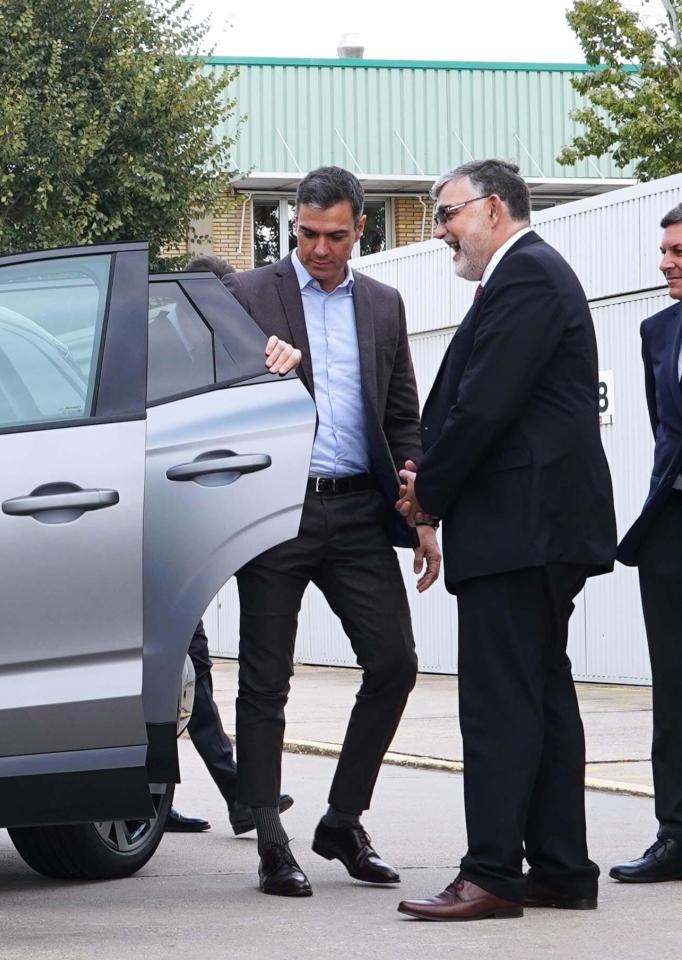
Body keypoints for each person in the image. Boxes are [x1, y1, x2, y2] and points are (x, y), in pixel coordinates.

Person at [396, 159, 616, 921]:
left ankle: (491, 872)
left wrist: (427, 494)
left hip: (524, 529)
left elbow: (483, 409)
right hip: (531, 529)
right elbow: (464, 398)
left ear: (493, 208)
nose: (439, 231)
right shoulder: (523, 279)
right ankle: (559, 869)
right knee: (541, 699)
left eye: (447, 213)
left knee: (499, 705)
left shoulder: (528, 276)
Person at [223, 166, 437, 898]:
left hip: (356, 512)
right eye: (307, 234)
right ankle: (271, 841)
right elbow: (209, 389)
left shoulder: (383, 304)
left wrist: (418, 494)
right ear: (293, 224)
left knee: (395, 663)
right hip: (276, 510)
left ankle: (342, 819)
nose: (319, 249)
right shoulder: (249, 296)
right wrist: (258, 370)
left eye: (335, 236)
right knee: (264, 681)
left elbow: (403, 411)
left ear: (360, 230)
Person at [164, 253, 294, 837]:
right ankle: (231, 791)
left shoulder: (221, 348)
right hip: (166, 530)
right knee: (182, 665)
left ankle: (205, 792)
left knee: (186, 667)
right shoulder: (170, 345)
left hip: (196, 531)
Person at [605, 203, 682, 884]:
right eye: (665, 250)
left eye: (679, 250)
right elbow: (665, 431)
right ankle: (675, 835)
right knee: (673, 688)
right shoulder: (656, 331)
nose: (667, 262)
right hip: (671, 530)